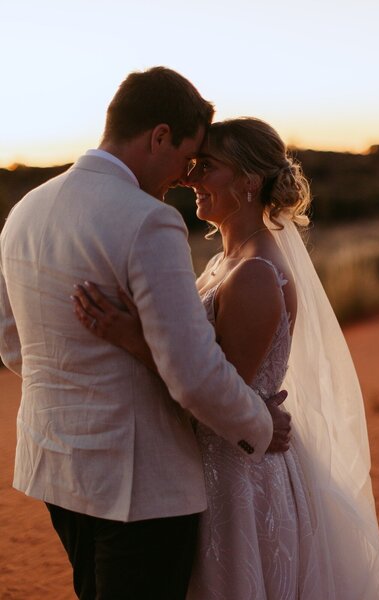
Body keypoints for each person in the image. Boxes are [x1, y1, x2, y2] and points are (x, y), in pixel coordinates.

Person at [73, 117, 379, 598]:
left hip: (237, 476)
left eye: (207, 167)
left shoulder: (255, 274)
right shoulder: (225, 261)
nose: (190, 178)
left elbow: (218, 389)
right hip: (217, 459)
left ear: (249, 181)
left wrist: (129, 336)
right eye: (192, 165)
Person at [0, 70, 292, 600]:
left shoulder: (25, 210)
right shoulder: (148, 220)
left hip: (55, 471)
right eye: (187, 158)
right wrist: (260, 423)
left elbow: (13, 344)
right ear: (159, 136)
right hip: (141, 486)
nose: (186, 176)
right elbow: (195, 376)